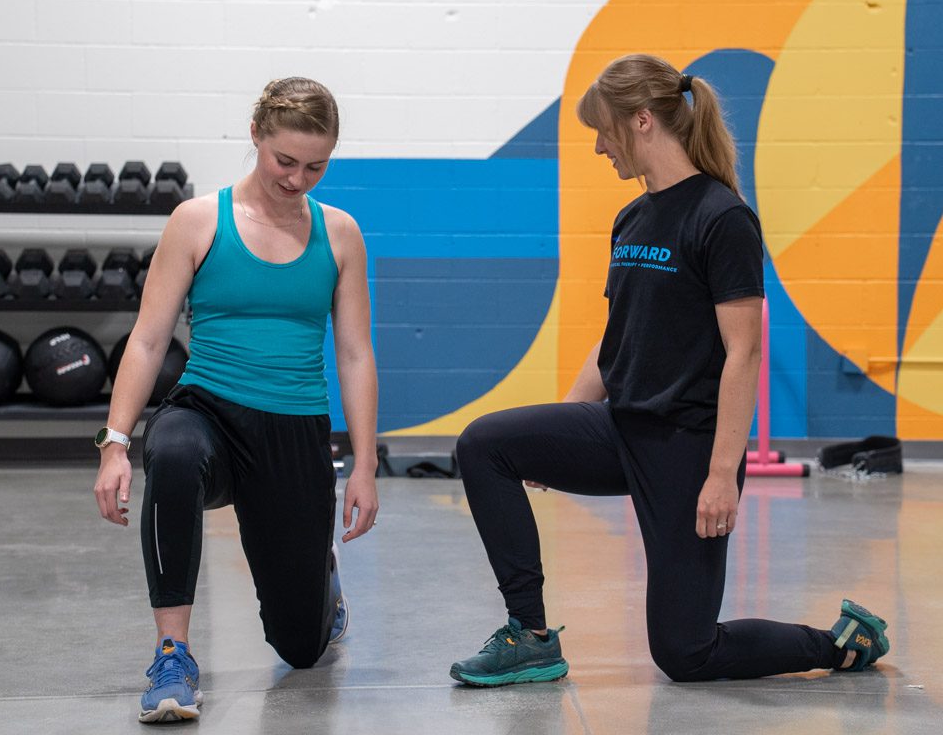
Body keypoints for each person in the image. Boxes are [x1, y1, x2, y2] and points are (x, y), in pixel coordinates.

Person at [449, 54, 889, 687]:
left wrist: (721, 475)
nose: (600, 147)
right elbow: (617, 335)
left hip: (688, 448)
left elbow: (744, 354)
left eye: (603, 130)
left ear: (642, 121)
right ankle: (531, 637)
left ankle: (840, 643)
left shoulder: (722, 217)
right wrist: (567, 420)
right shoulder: (631, 218)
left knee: (685, 653)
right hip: (622, 428)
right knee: (486, 443)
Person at [93, 77, 379, 723]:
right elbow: (147, 339)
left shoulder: (340, 235)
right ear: (255, 136)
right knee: (169, 451)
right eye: (285, 161)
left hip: (295, 428)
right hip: (210, 412)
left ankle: (321, 591)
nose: (298, 179)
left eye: (315, 166)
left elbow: (357, 353)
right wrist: (114, 442)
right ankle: (172, 654)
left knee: (302, 648)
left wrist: (362, 465)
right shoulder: (198, 220)